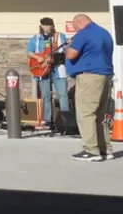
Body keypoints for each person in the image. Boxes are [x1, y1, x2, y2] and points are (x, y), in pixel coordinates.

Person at [65, 13, 114, 162]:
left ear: (80, 23)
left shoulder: (84, 33)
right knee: (100, 115)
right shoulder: (104, 33)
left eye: (75, 27)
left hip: (89, 77)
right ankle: (105, 149)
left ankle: (91, 151)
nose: (75, 30)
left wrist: (68, 46)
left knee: (86, 114)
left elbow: (71, 55)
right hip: (105, 76)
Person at [28, 17, 70, 129]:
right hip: (43, 70)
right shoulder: (36, 38)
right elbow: (30, 51)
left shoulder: (59, 36)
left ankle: (65, 120)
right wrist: (38, 57)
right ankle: (48, 120)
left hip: (58, 70)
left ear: (52, 26)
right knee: (46, 96)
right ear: (41, 26)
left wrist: (69, 45)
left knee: (62, 95)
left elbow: (67, 50)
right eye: (45, 25)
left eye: (49, 25)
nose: (47, 27)